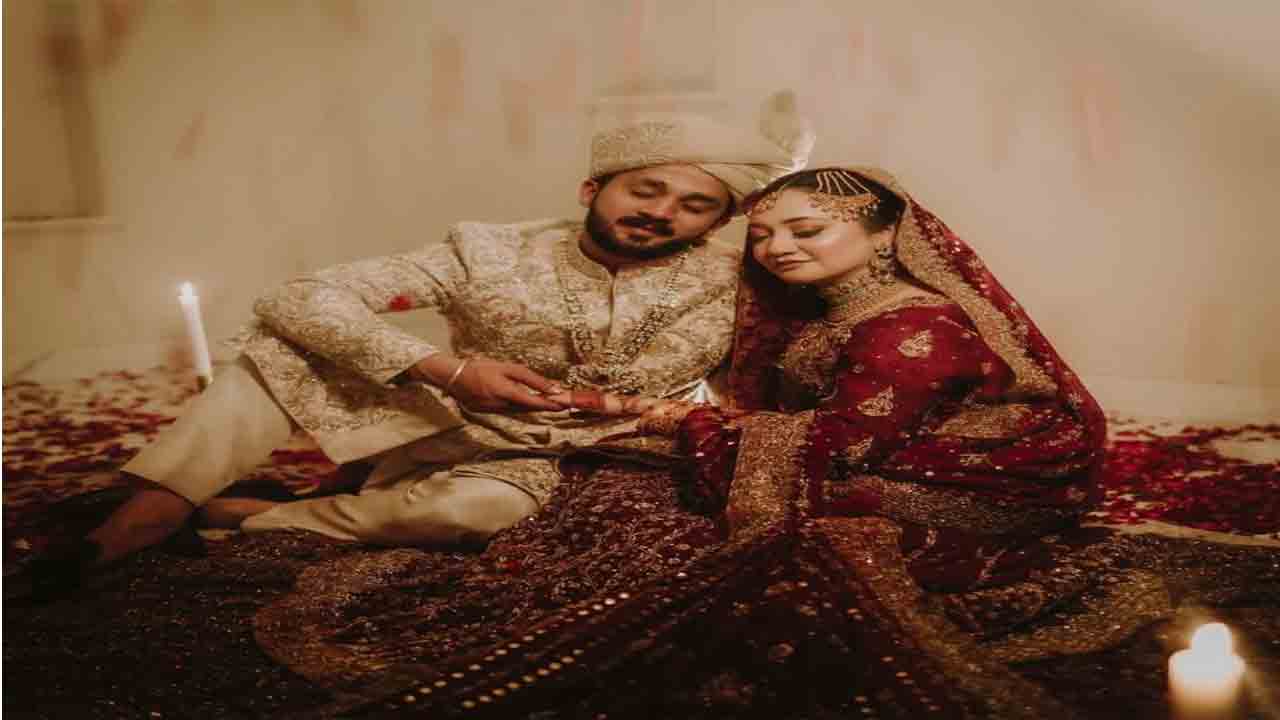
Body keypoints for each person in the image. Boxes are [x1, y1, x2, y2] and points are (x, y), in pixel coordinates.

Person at [263, 165, 1161, 719]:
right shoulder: (841, 310)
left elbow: (837, 448)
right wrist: (644, 410)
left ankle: (281, 519)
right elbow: (808, 424)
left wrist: (680, 423)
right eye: (761, 234)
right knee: (614, 496)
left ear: (886, 232)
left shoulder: (909, 326)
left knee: (647, 527)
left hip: (954, 489)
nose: (776, 250)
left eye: (806, 230)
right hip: (869, 456)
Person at [25, 91, 816, 592]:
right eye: (646, 189)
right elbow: (296, 296)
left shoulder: (738, 277)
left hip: (584, 460)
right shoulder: (488, 249)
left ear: (717, 221)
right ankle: (151, 510)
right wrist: (449, 368)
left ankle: (253, 517)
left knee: (477, 513)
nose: (662, 212)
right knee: (282, 344)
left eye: (694, 205)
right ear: (592, 188)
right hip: (450, 423)